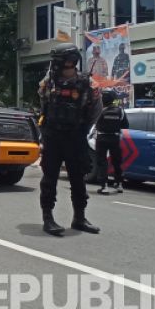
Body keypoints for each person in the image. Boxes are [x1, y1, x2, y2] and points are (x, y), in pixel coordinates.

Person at [39, 41, 103, 236]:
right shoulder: (48, 82)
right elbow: (43, 104)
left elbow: (96, 110)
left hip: (75, 137)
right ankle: (48, 218)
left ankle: (79, 218)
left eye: (57, 60)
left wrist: (82, 129)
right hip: (53, 136)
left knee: (78, 178)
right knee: (49, 178)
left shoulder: (88, 84)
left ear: (69, 61)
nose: (54, 64)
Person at [94, 90, 128, 194]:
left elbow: (95, 124)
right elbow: (125, 125)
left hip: (102, 138)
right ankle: (119, 184)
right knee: (117, 161)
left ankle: (104, 186)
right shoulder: (120, 111)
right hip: (115, 138)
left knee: (102, 162)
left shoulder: (101, 111)